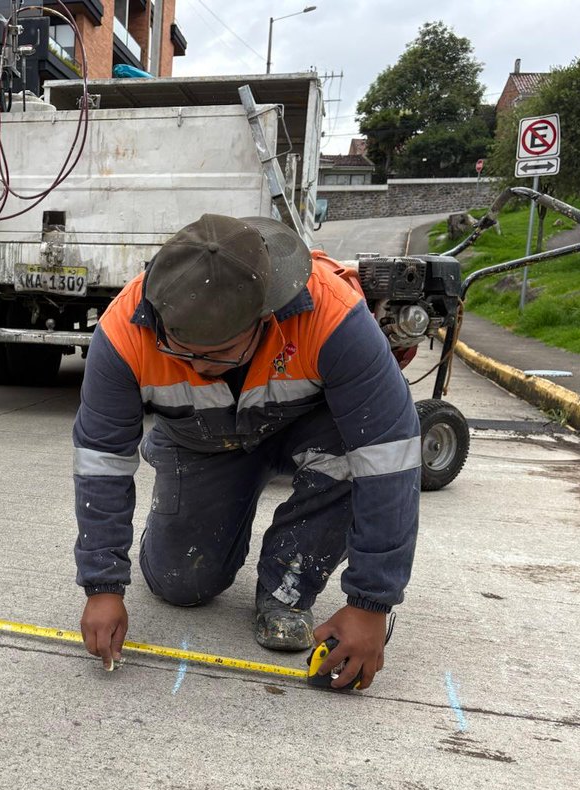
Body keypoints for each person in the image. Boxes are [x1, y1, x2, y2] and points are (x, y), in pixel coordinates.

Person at [71, 214, 420, 690]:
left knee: (355, 458)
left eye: (216, 353)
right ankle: (190, 499)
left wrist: (370, 604)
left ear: (265, 317)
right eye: (181, 350)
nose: (197, 368)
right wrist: (103, 585)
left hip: (305, 430)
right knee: (182, 584)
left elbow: (390, 456)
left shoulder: (331, 314)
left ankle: (286, 586)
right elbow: (101, 460)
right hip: (200, 440)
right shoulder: (122, 332)